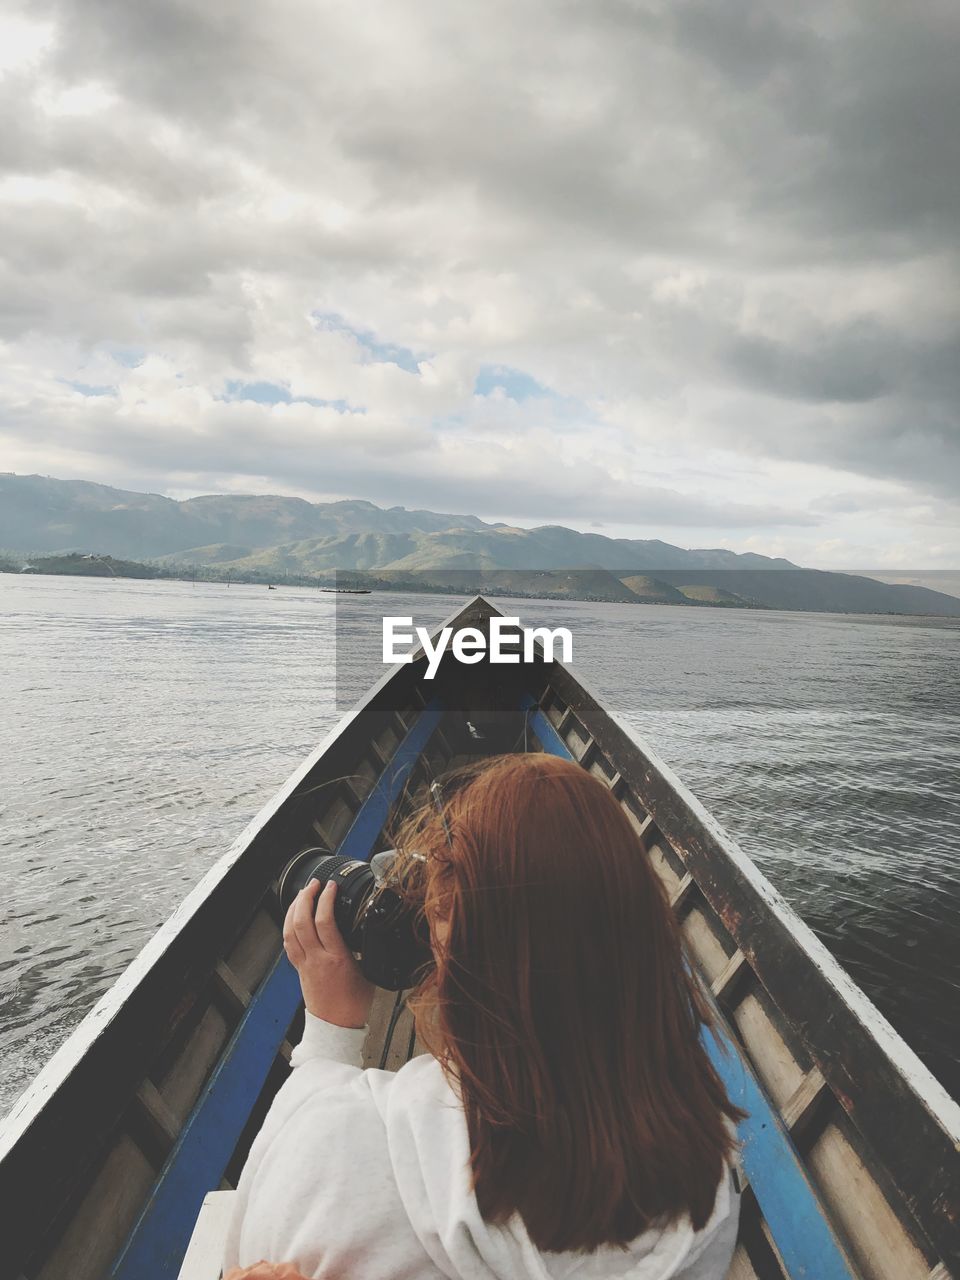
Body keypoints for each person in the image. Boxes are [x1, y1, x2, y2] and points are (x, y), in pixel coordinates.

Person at [222, 752, 744, 1279]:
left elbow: (250, 1239)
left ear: (464, 962)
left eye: (439, 910)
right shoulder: (705, 1174)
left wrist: (328, 1034)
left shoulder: (352, 1144)